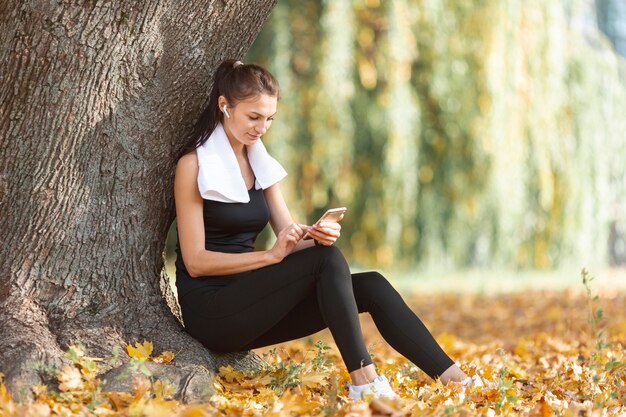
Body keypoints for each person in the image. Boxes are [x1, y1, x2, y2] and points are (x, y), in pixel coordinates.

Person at [173, 59, 481, 400]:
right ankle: (364, 384)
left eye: (269, 119)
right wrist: (271, 256)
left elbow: (287, 235)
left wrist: (315, 236)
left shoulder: (259, 161)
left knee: (370, 283)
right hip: (213, 312)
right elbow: (196, 261)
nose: (262, 128)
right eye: (253, 117)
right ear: (224, 105)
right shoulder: (194, 165)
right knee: (325, 261)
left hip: (254, 299)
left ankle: (457, 381)